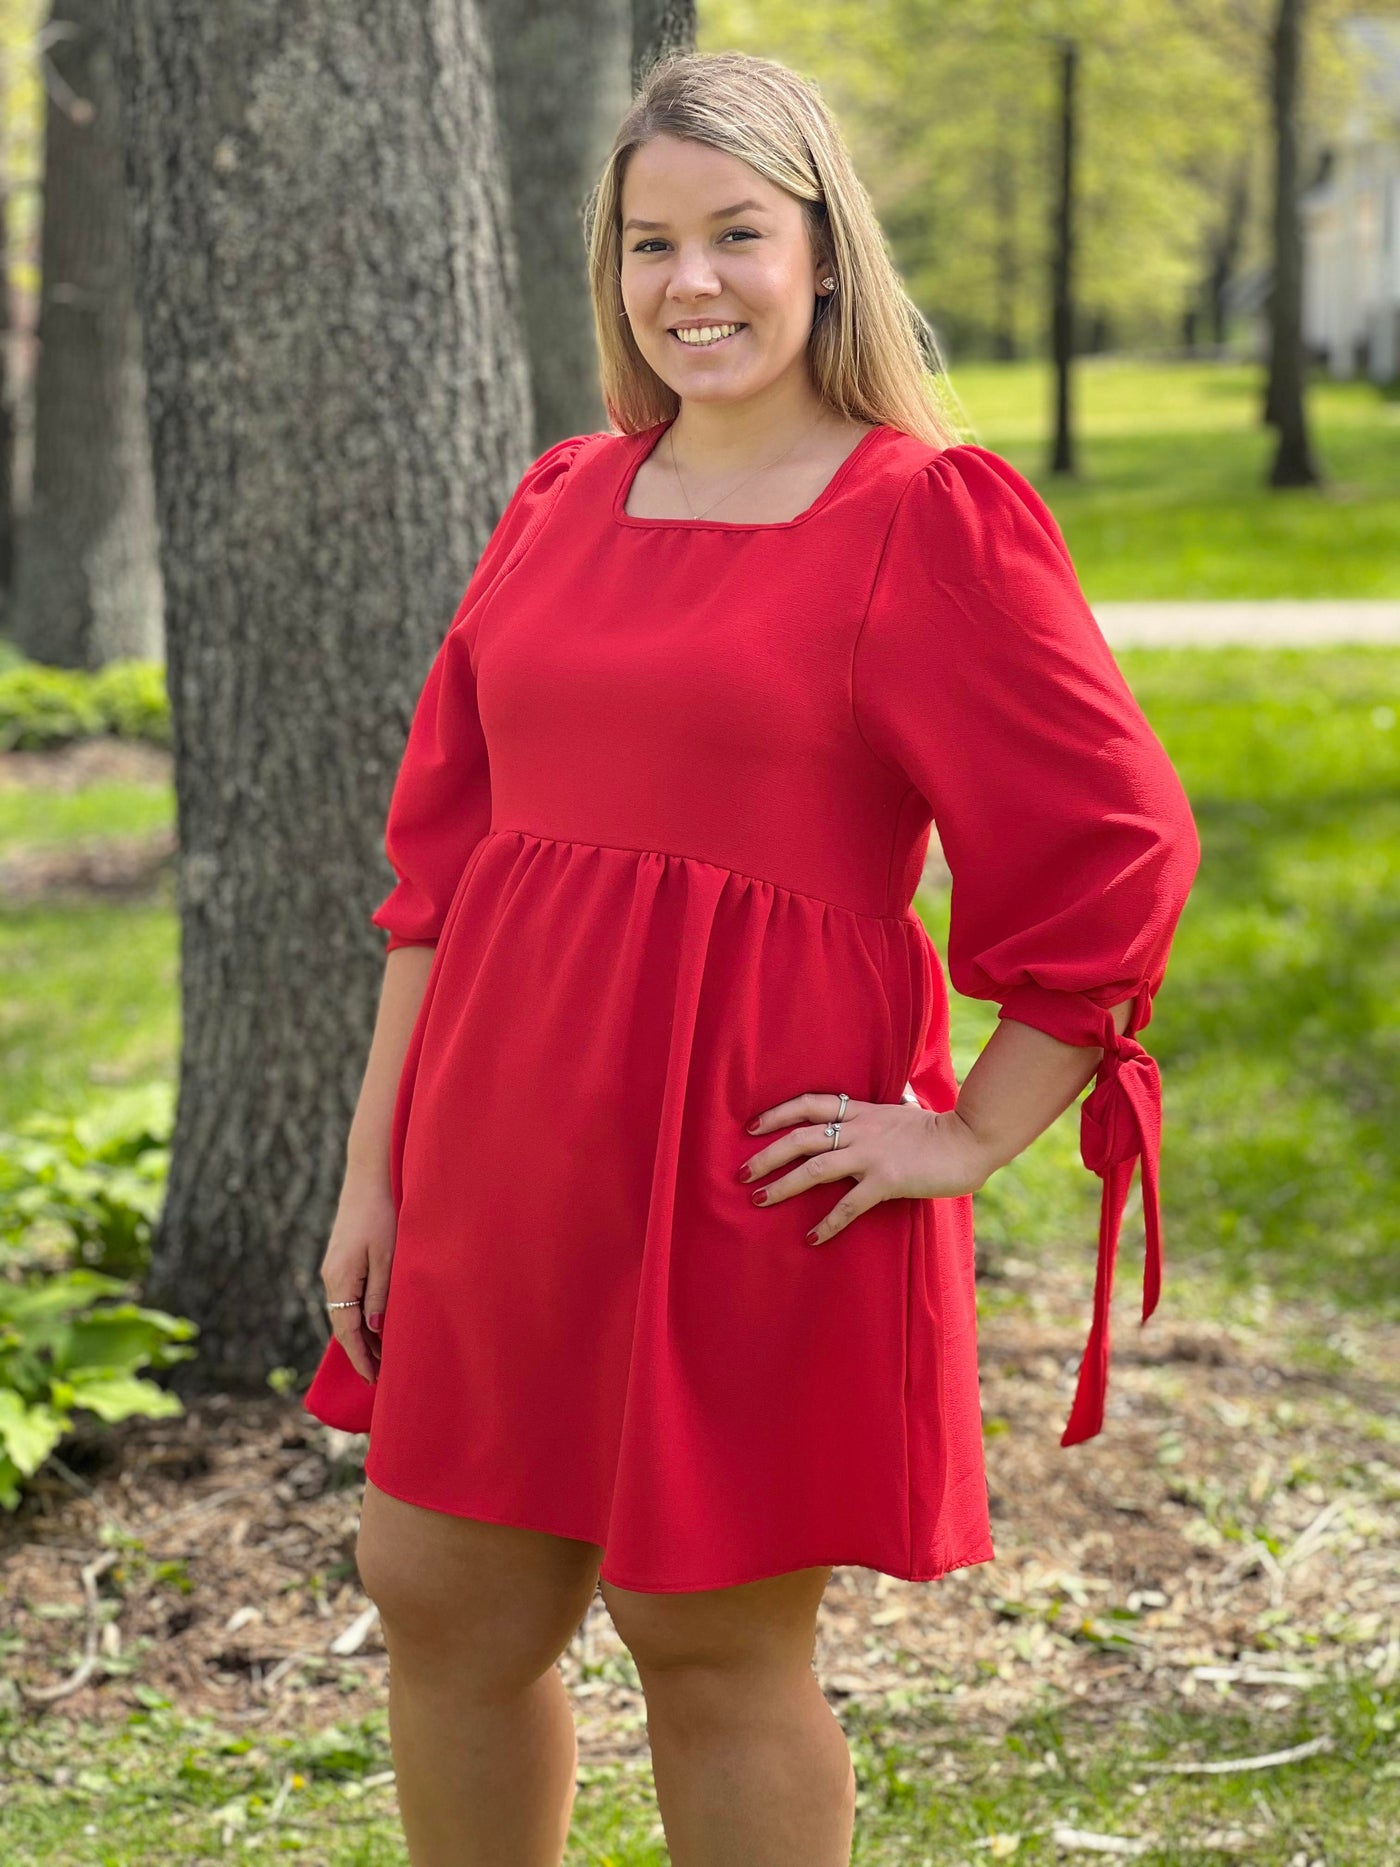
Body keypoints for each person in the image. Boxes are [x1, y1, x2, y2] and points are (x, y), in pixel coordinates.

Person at [303, 47, 1201, 1867]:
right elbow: (443, 869)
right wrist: (372, 1163)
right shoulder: (560, 498)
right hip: (504, 1139)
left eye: (737, 234)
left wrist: (965, 1135)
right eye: (650, 244)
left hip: (743, 1154)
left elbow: (1119, 844)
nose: (690, 281)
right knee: (442, 1594)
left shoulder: (923, 517)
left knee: (704, 1637)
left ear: (822, 253)